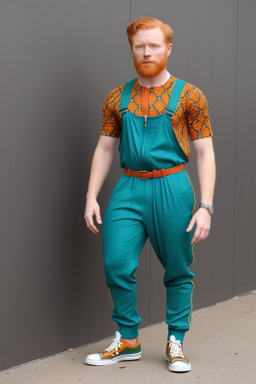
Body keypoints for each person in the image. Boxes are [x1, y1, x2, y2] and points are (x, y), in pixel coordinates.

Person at [84, 16, 216, 373]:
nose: (146, 52)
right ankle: (128, 340)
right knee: (116, 263)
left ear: (168, 49)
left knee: (177, 268)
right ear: (132, 49)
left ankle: (176, 341)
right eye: (140, 45)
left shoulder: (190, 95)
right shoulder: (117, 97)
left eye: (154, 45)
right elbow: (105, 149)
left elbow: (204, 152)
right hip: (129, 188)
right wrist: (91, 196)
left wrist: (205, 206)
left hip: (173, 187)